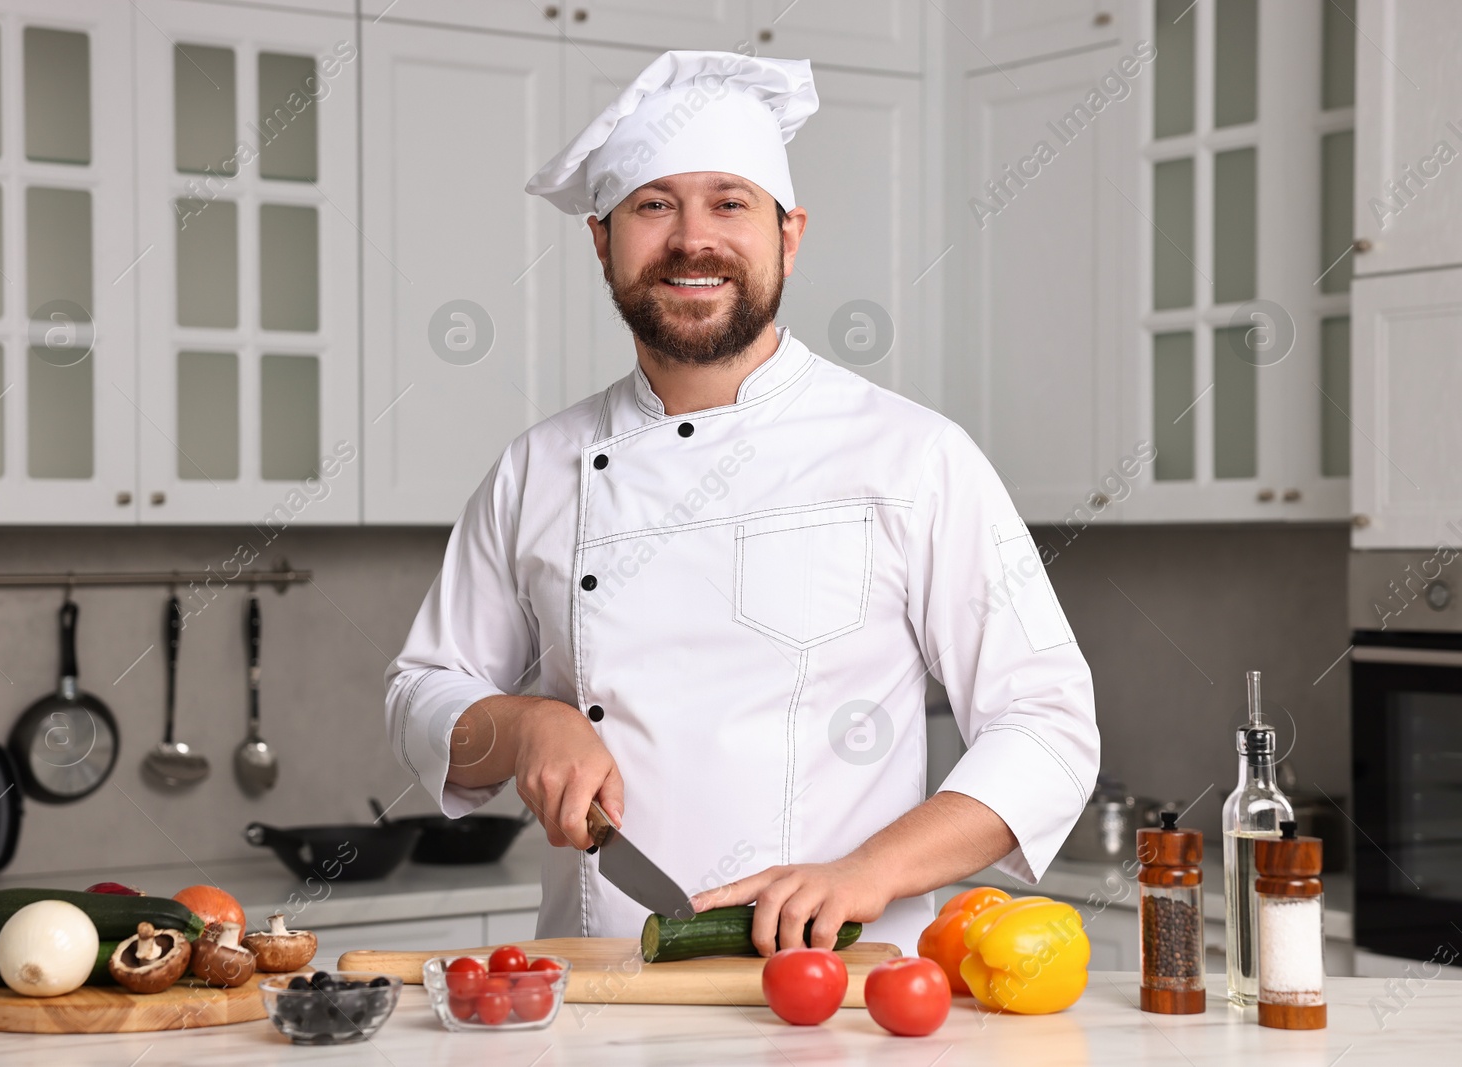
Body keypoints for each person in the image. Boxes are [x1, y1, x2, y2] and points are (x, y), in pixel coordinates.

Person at [386, 50, 1099, 954]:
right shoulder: (538, 468)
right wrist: (529, 725)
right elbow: (421, 690)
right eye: (654, 205)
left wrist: (867, 870)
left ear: (788, 235)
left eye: (729, 202)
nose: (692, 240)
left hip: (832, 997)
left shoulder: (913, 457)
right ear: (602, 241)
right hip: (600, 995)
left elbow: (1048, 727)